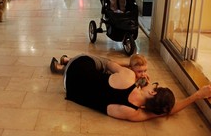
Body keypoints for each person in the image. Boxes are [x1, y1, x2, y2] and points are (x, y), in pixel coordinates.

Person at [50, 54, 211, 121]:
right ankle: (63, 65)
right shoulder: (134, 114)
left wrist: (132, 68)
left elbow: (108, 64)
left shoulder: (128, 77)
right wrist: (196, 96)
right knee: (104, 77)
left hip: (78, 66)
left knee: (104, 62)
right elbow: (166, 110)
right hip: (69, 88)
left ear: (153, 91)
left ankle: (66, 60)